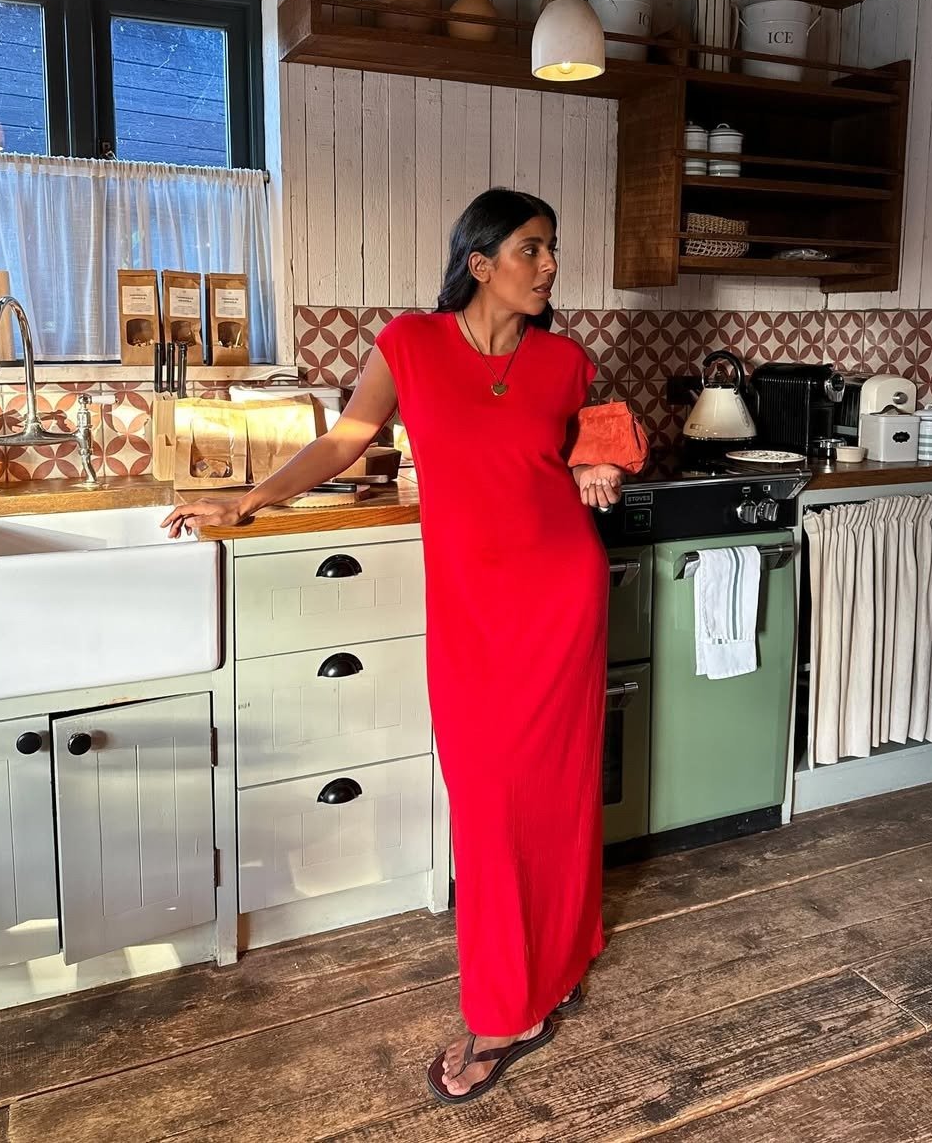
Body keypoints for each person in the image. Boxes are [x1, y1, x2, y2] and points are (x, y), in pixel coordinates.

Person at [162, 188, 625, 1103]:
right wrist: (248, 500)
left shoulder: (566, 360)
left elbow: (596, 433)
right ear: (480, 262)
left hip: (562, 596)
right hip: (474, 613)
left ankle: (527, 993)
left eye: (552, 250)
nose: (549, 266)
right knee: (489, 804)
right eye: (532, 249)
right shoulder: (410, 344)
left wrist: (600, 456)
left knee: (558, 791)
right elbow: (344, 442)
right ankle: (520, 984)